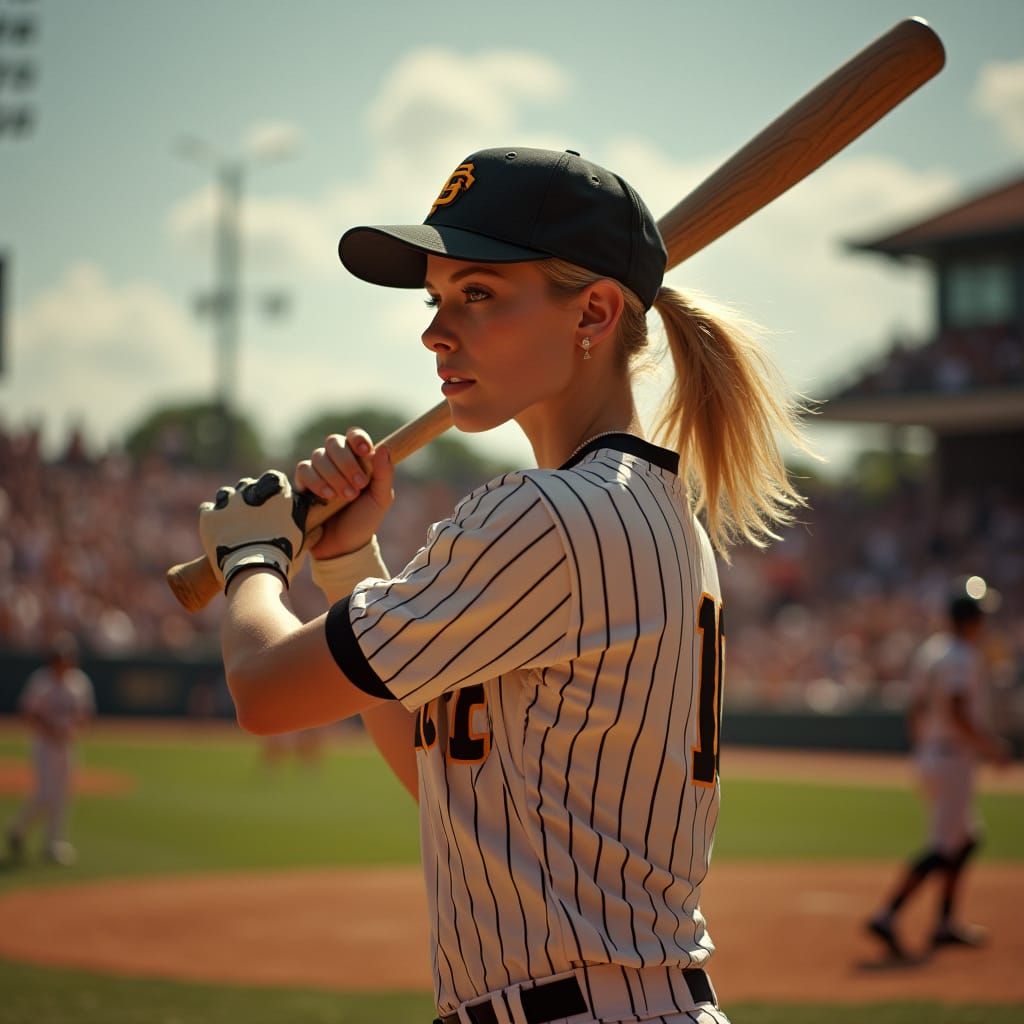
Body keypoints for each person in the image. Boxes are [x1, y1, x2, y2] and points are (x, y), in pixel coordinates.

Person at [197, 146, 810, 1024]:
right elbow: (452, 784)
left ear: (594, 312)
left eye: (478, 294)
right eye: (436, 300)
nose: (436, 333)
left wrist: (251, 560)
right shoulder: (648, 509)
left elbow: (263, 690)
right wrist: (344, 559)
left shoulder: (549, 516)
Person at [866, 576, 1012, 959]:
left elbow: (916, 708)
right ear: (971, 619)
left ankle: (945, 922)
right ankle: (887, 914)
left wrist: (924, 745)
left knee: (966, 839)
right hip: (952, 757)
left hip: (931, 752)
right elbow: (958, 710)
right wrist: (991, 748)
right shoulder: (962, 656)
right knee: (945, 846)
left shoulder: (932, 651)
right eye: (981, 616)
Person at [5, 633, 96, 866]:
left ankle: (53, 843)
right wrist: (51, 731)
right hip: (44, 745)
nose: (64, 662)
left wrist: (73, 728)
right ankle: (19, 829)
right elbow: (29, 712)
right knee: (45, 795)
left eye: (68, 658)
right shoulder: (41, 681)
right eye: (61, 658)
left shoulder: (79, 682)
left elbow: (85, 713)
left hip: (67, 745)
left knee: (62, 795)